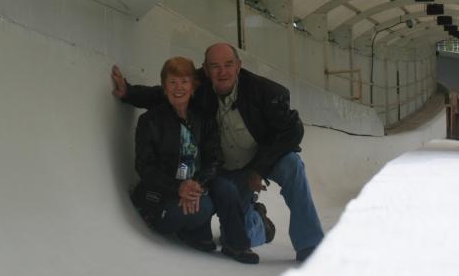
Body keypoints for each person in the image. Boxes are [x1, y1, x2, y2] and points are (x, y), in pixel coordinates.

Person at [113, 43, 324, 263]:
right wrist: (129, 92)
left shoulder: (266, 92)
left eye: (228, 65)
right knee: (241, 236)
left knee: (292, 164)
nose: (222, 72)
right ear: (205, 70)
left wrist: (259, 170)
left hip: (261, 162)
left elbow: (294, 130)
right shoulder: (200, 87)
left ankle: (309, 243)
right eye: (214, 66)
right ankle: (259, 220)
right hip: (227, 172)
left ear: (239, 66)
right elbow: (168, 92)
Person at [130, 57, 225, 256]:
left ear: (193, 87)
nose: (178, 87)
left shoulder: (204, 120)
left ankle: (257, 223)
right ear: (164, 87)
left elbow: (214, 159)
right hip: (162, 193)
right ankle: (188, 227)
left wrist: (196, 185)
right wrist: (178, 187)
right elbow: (144, 166)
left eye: (184, 81)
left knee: (208, 204)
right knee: (176, 214)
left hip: (195, 191)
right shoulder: (149, 121)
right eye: (172, 82)